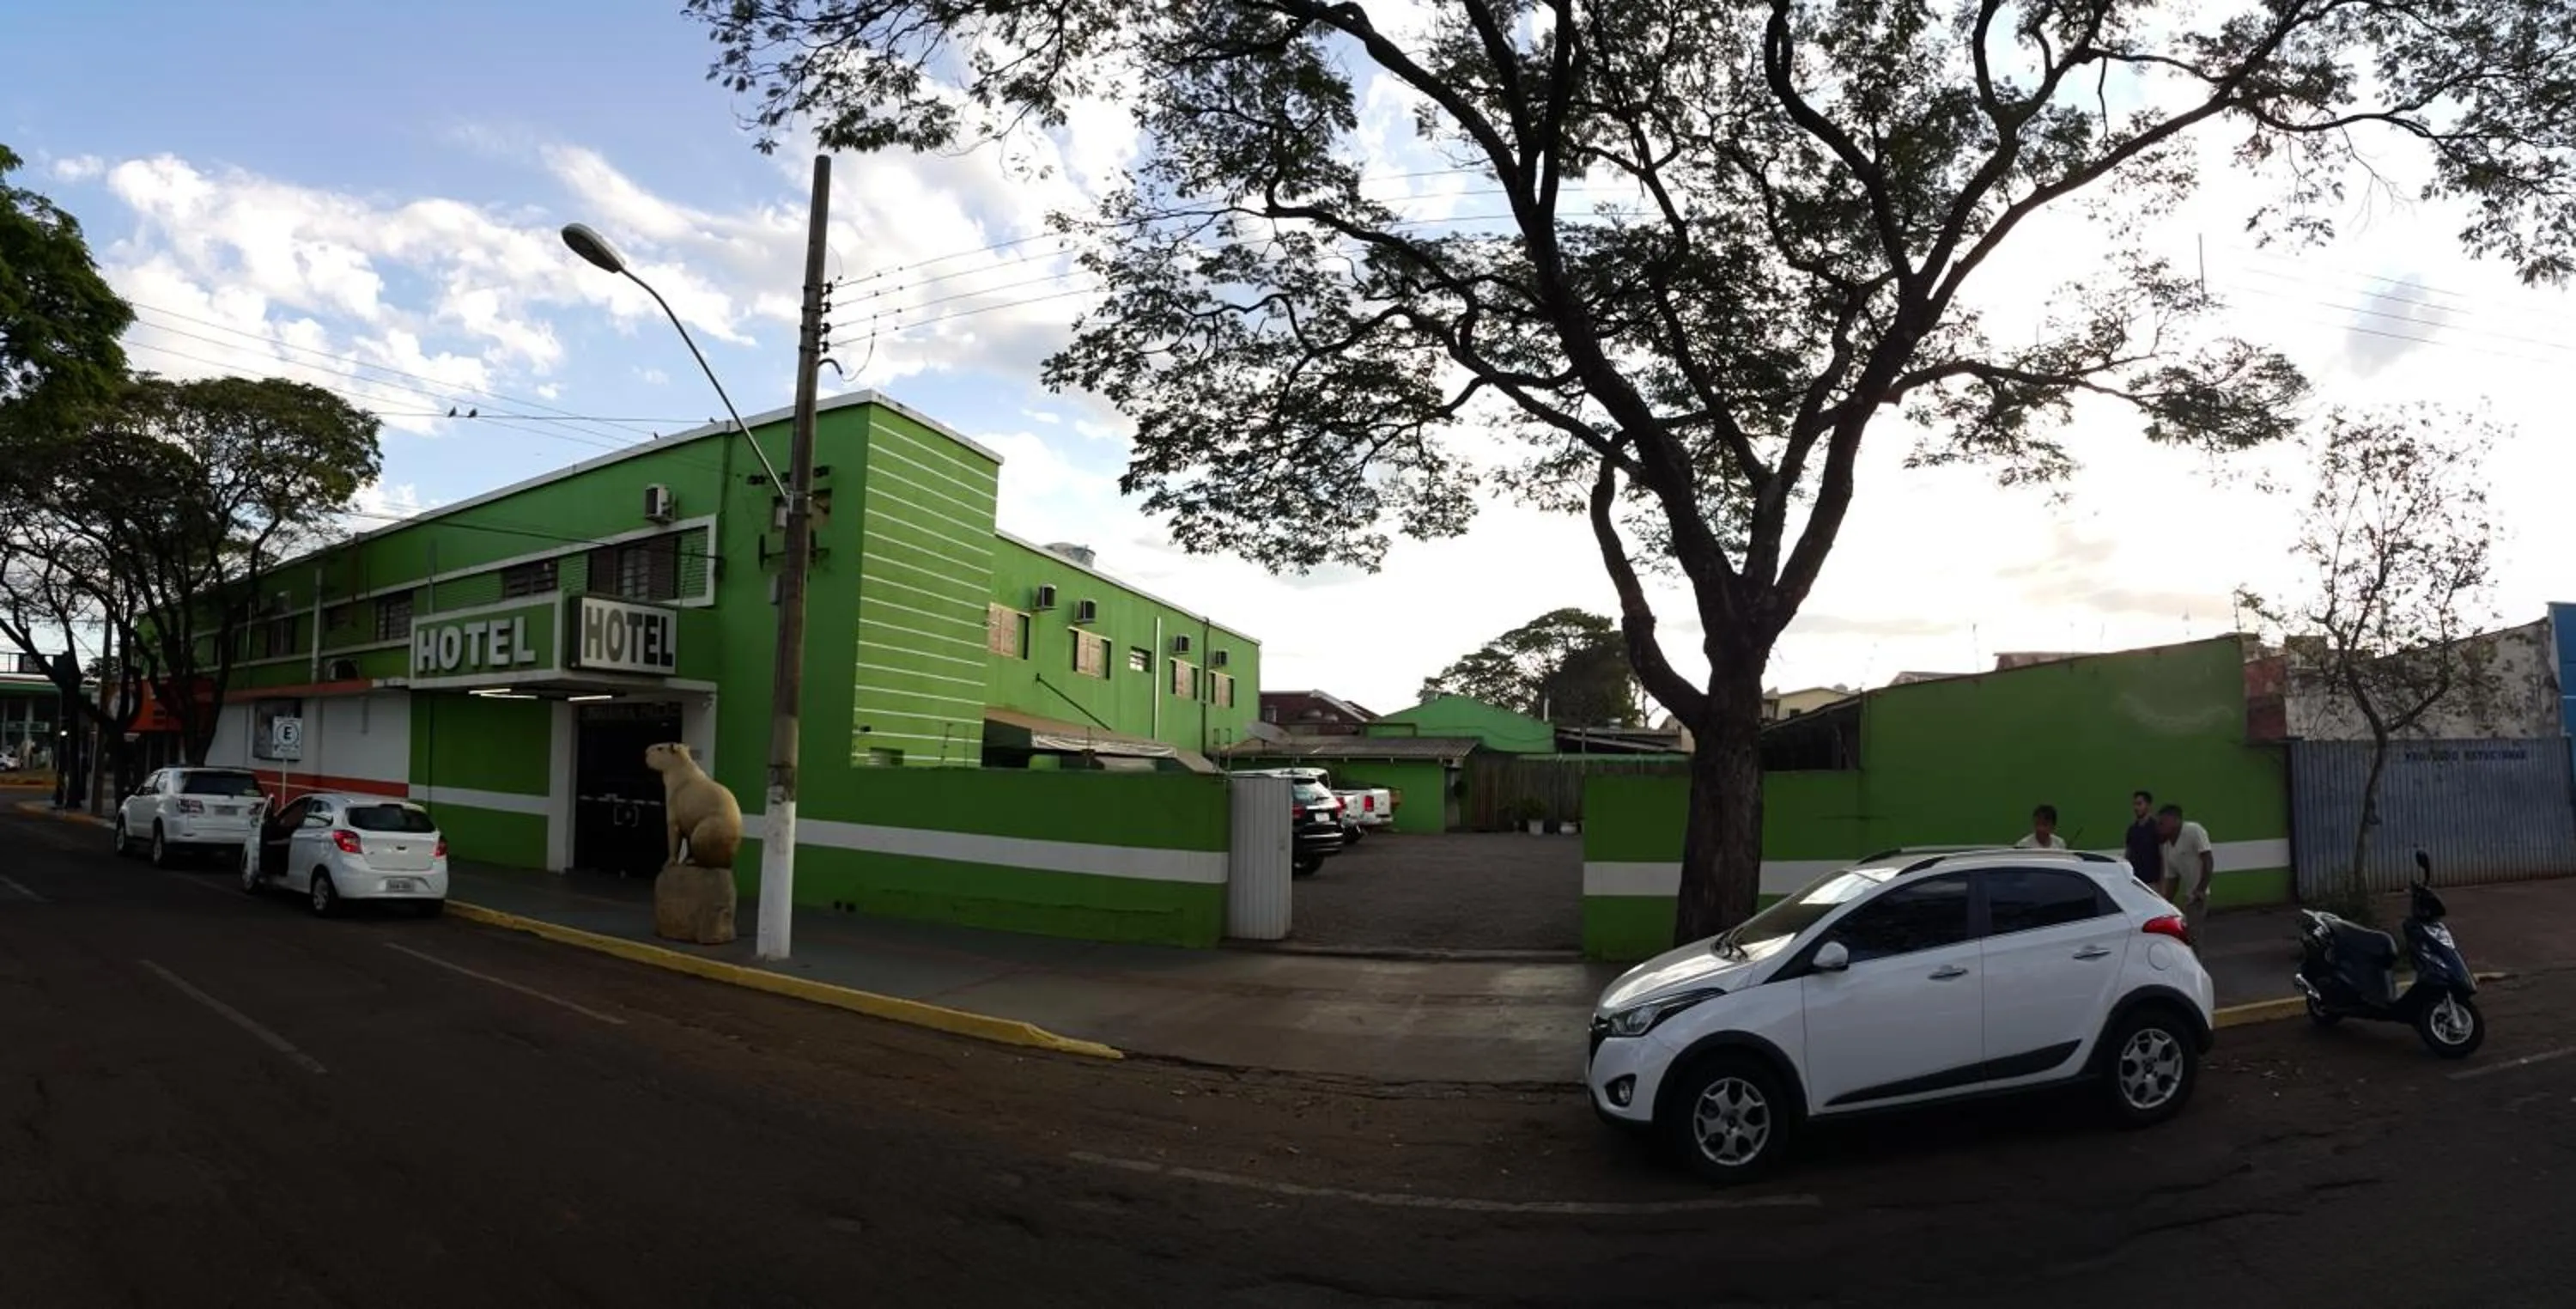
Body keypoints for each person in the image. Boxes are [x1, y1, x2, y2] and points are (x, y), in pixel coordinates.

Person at [2157, 803, 2215, 922]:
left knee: (2193, 931)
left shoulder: (2194, 830)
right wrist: (2166, 904)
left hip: (2199, 893)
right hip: (2189, 896)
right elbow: (2173, 880)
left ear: (2176, 820)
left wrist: (2201, 890)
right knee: (2185, 931)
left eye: (2163, 822)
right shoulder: (2167, 847)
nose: (2160, 827)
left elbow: (2208, 860)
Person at [2124, 790, 2163, 883]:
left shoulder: (2157, 828)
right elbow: (2128, 853)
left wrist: (2162, 884)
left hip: (2153, 883)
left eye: (2139, 804)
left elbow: (2163, 857)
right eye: (2134, 804)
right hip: (2135, 881)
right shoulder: (2132, 829)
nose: (2136, 808)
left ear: (2148, 806)